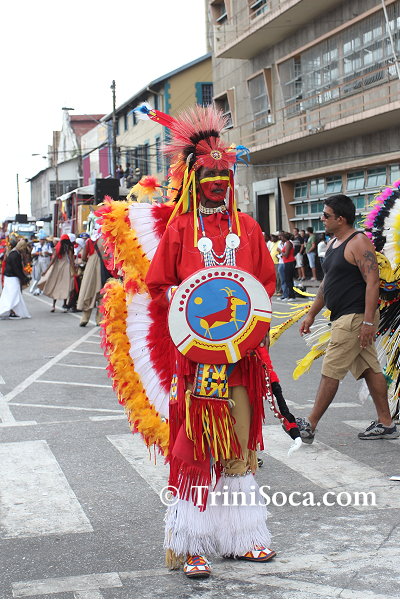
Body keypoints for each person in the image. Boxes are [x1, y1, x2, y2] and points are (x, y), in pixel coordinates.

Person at [142, 104, 277, 578]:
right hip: (197, 361)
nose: (218, 181)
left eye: (224, 174)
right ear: (194, 180)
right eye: (209, 175)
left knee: (239, 445)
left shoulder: (249, 228)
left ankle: (244, 537)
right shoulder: (180, 229)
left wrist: (250, 331)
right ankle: (192, 544)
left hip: (240, 357)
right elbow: (158, 285)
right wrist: (185, 305)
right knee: (197, 447)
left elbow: (264, 287)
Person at [297, 194, 399, 442]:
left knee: (331, 369)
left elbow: (372, 282)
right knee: (369, 369)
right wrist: (311, 314)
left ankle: (310, 424)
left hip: (354, 317)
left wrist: (368, 322)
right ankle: (386, 422)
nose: (322, 219)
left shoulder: (358, 242)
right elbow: (326, 284)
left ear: (341, 219)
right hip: (343, 316)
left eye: (326, 215)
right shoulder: (334, 243)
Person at [38, 234, 75, 312]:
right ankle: (64, 305)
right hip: (66, 267)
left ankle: (53, 306)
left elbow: (53, 259)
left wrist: (46, 270)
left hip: (57, 267)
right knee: (65, 285)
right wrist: (73, 269)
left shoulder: (58, 247)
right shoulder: (69, 247)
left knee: (55, 285)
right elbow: (71, 259)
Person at [0, 239, 31, 319]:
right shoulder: (15, 255)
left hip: (9, 277)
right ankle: (8, 311)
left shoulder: (13, 253)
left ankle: (12, 311)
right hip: (12, 277)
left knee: (12, 295)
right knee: (13, 295)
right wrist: (23, 278)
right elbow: (16, 268)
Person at [29, 230, 52, 295]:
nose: (41, 241)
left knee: (44, 275)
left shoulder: (47, 246)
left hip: (45, 260)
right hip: (38, 260)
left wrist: (47, 253)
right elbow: (32, 253)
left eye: (43, 239)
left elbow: (51, 253)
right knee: (37, 275)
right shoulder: (36, 245)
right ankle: (36, 288)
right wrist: (38, 253)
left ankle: (43, 289)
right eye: (41, 239)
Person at [281, 232, 296, 300]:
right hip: (287, 262)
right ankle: (289, 295)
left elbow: (286, 255)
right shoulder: (286, 243)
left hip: (289, 262)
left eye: (281, 237)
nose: (280, 238)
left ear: (284, 237)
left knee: (289, 279)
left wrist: (280, 252)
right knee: (287, 280)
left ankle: (292, 296)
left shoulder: (288, 243)